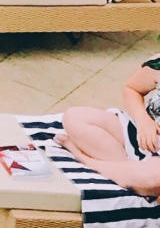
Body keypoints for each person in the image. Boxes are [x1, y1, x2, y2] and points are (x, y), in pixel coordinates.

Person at [56, 57, 160, 199]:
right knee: (73, 116)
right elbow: (132, 89)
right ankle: (128, 172)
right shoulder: (157, 65)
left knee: (154, 178)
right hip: (142, 133)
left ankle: (87, 160)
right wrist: (143, 120)